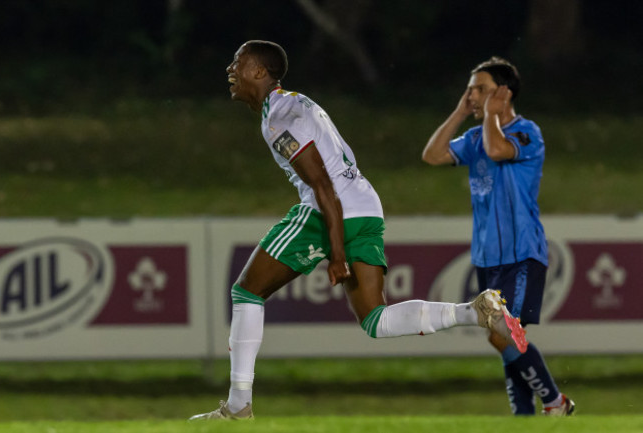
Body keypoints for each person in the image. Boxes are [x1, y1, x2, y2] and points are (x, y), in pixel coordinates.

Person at [189, 41, 527, 421]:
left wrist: (336, 254)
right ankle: (474, 311)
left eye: (239, 62)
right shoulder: (295, 103)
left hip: (329, 210)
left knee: (246, 291)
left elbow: (322, 187)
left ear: (259, 72)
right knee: (375, 320)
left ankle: (238, 407)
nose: (231, 69)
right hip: (366, 206)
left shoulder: (279, 118)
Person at [422, 57, 575, 416]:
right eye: (470, 89)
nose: (472, 95)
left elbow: (497, 150)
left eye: (481, 89)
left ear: (504, 94)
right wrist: (461, 112)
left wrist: (491, 114)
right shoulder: (475, 136)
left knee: (502, 334)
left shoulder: (527, 132)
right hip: (486, 257)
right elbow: (431, 155)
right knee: (504, 338)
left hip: (522, 254)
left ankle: (554, 403)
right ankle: (523, 417)